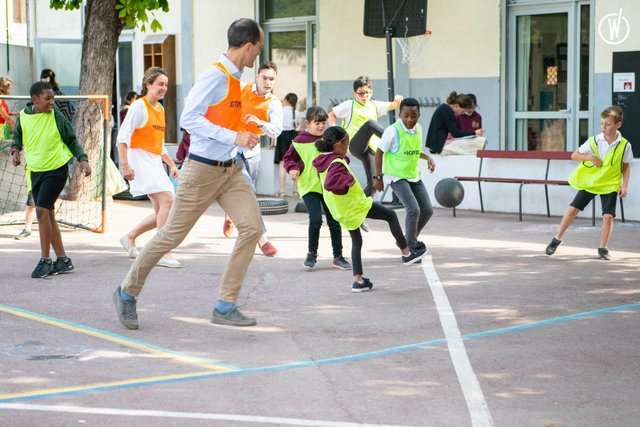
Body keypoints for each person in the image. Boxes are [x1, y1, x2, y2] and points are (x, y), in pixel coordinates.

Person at [113, 18, 263, 329]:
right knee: (171, 236)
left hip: (230, 170)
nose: (257, 55)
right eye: (258, 48)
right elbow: (189, 119)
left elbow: (221, 120)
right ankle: (126, 292)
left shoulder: (236, 80)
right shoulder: (215, 76)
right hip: (202, 171)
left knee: (252, 228)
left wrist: (244, 133)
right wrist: (233, 137)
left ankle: (225, 303)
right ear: (247, 47)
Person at [313, 126, 427, 292]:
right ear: (339, 144)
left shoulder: (323, 160)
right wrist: (347, 183)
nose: (348, 147)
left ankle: (358, 281)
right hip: (355, 205)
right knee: (391, 215)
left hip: (341, 210)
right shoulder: (336, 162)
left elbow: (325, 179)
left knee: (357, 241)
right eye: (347, 144)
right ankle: (406, 252)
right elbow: (330, 183)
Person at [10, 81, 92, 278]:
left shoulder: (56, 116)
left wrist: (83, 160)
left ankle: (45, 260)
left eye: (53, 98)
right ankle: (63, 260)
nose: (52, 103)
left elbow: (71, 139)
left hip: (57, 169)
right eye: (47, 99)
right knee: (49, 216)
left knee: (41, 211)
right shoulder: (23, 117)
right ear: (34, 100)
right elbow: (18, 137)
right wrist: (15, 151)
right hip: (36, 171)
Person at [545, 106, 632, 260]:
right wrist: (590, 158)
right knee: (572, 210)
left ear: (618, 125)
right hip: (591, 182)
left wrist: (624, 186)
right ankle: (557, 238)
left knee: (608, 217)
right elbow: (574, 155)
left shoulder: (625, 145)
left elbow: (626, 167)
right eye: (602, 124)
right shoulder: (594, 141)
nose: (604, 127)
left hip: (610, 184)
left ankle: (603, 248)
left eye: (608, 124)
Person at [116, 67, 180, 269]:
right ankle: (163, 251)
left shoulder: (159, 109)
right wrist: (125, 165)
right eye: (160, 84)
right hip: (138, 159)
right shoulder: (138, 106)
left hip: (153, 161)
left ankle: (130, 237)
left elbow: (158, 144)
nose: (164, 88)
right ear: (148, 85)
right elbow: (122, 138)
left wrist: (171, 164)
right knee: (168, 199)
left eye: (166, 85)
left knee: (163, 209)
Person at [222, 60, 283, 257]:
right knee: (248, 192)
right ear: (257, 76)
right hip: (232, 147)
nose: (267, 82)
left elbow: (277, 129)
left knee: (249, 191)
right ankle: (262, 239)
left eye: (271, 79)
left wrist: (260, 122)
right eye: (264, 78)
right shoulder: (241, 89)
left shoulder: (274, 103)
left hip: (252, 150)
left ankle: (231, 214)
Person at [283, 107, 351, 271]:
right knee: (316, 220)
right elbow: (288, 158)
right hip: (309, 186)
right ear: (308, 123)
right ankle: (311, 253)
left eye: (323, 122)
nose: (321, 126)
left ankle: (338, 257)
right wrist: (292, 168)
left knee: (334, 221)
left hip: (328, 186)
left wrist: (343, 164)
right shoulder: (299, 141)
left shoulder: (328, 139)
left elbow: (340, 155)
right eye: (317, 123)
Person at [374, 98, 435, 256]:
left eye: (413, 116)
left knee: (427, 210)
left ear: (418, 115)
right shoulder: (393, 130)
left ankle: (408, 239)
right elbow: (379, 153)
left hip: (413, 175)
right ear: (400, 114)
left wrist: (428, 157)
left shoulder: (419, 129)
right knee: (413, 209)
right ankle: (411, 247)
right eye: (406, 115)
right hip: (396, 176)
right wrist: (378, 178)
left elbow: (414, 150)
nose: (409, 119)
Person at [328, 76, 402, 197]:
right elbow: (331, 114)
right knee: (370, 125)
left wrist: (398, 100)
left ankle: (358, 208)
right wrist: (334, 131)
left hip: (370, 149)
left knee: (374, 185)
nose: (364, 96)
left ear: (371, 92)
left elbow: (393, 105)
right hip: (353, 144)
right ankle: (395, 140)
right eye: (361, 93)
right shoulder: (349, 104)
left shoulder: (374, 105)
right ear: (355, 93)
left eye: (367, 93)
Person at [274, 92, 299, 197]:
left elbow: (275, 127)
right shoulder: (296, 113)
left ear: (286, 100)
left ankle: (282, 191)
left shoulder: (280, 111)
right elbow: (297, 126)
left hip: (282, 136)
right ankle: (296, 190)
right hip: (294, 136)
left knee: (282, 164)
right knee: (295, 163)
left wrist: (273, 143)